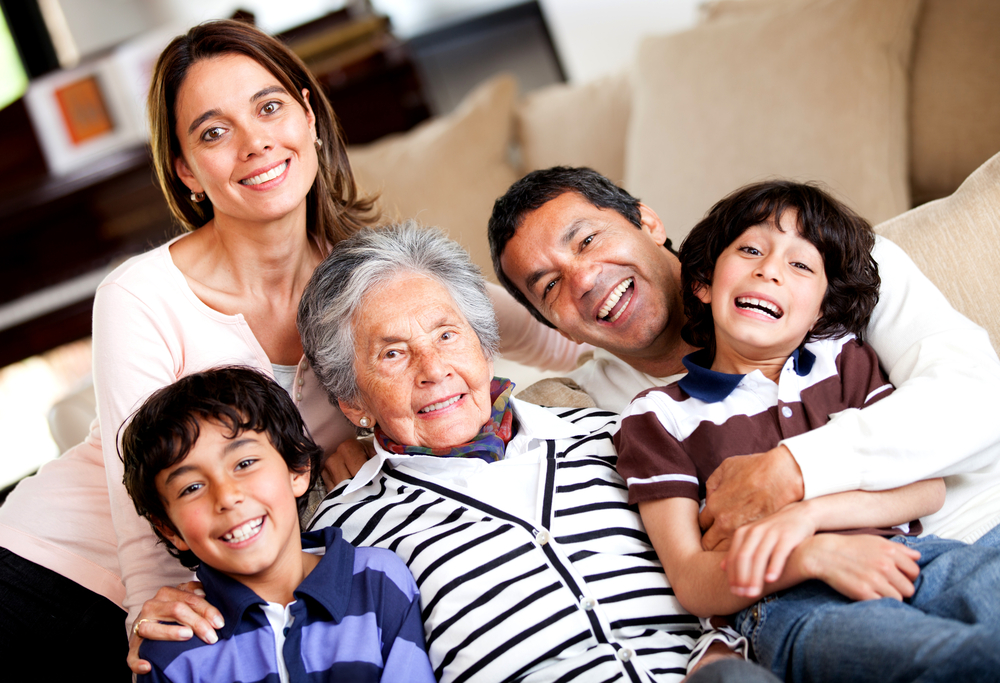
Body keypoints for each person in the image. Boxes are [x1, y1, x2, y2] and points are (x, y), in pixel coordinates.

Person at [0, 19, 374, 678]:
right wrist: (146, 608)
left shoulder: (375, 281)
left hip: (217, 589)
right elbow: (133, 476)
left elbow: (502, 317)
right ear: (187, 171)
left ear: (309, 114)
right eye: (213, 131)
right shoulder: (139, 292)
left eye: (268, 106)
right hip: (45, 570)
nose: (255, 141)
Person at [295, 221, 782, 683]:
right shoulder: (348, 530)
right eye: (393, 353)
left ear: (484, 348)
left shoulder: (616, 434)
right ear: (353, 401)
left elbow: (724, 548)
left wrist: (720, 650)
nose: (434, 370)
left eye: (447, 335)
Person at [488, 167, 1000, 553]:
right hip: (829, 615)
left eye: (588, 240)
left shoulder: (822, 263)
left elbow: (979, 398)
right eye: (550, 286)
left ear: (647, 221)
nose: (583, 280)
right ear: (552, 322)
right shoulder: (601, 414)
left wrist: (793, 470)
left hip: (981, 527)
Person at [615, 181, 1000, 681]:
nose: (769, 269)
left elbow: (926, 488)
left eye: (801, 265)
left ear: (821, 310)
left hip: (911, 557)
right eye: (751, 250)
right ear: (703, 284)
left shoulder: (845, 359)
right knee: (956, 661)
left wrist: (805, 515)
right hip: (788, 603)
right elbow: (691, 579)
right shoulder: (657, 416)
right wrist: (811, 553)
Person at [120, 368, 434, 682]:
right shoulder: (169, 651)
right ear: (170, 529)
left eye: (244, 464)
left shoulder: (377, 582)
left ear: (297, 469)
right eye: (192, 488)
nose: (227, 497)